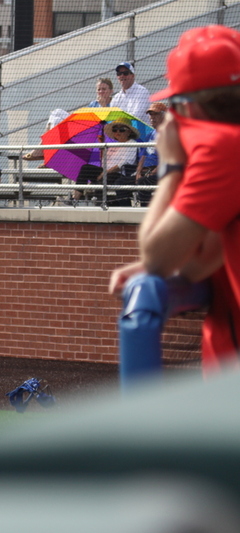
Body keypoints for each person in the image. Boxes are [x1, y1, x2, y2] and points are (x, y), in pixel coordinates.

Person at [109, 25, 240, 378]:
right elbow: (202, 260)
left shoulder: (223, 146)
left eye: (177, 105)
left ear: (192, 104)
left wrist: (172, 166)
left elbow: (156, 255)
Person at [71, 117, 139, 205]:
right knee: (86, 168)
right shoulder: (113, 145)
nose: (117, 132)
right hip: (106, 172)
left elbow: (124, 163)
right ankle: (74, 200)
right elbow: (104, 162)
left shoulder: (132, 144)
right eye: (115, 129)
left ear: (129, 132)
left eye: (121, 129)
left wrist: (104, 173)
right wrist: (102, 149)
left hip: (120, 174)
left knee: (102, 179)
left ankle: (101, 203)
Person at [134, 102, 167, 206]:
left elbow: (167, 158)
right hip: (146, 171)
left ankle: (145, 212)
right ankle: (122, 210)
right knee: (120, 182)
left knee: (143, 182)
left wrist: (153, 172)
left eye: (155, 114)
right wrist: (138, 172)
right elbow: (143, 156)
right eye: (151, 115)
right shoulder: (149, 135)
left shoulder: (168, 133)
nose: (152, 117)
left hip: (161, 172)